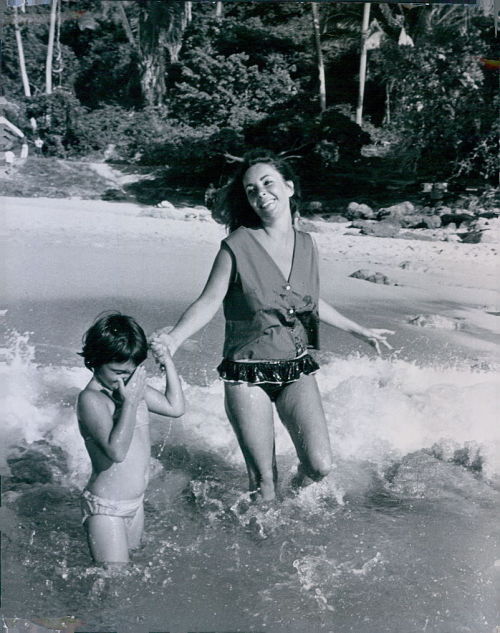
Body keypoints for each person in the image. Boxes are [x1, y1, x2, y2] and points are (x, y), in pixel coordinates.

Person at [150, 150, 393, 502]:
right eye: (251, 190)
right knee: (263, 482)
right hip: (247, 372)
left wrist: (361, 331)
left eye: (268, 183)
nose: (260, 193)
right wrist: (174, 337)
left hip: (296, 367)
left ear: (289, 187)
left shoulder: (308, 245)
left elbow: (308, 301)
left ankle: (293, 499)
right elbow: (208, 301)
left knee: (320, 465)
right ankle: (262, 546)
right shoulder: (236, 246)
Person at [77, 312, 185, 566]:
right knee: (113, 583)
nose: (123, 378)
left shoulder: (128, 388)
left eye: (130, 372)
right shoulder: (91, 400)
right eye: (116, 371)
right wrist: (132, 402)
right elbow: (116, 451)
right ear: (95, 361)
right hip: (107, 508)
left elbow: (175, 407)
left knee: (130, 576)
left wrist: (167, 361)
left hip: (135, 504)